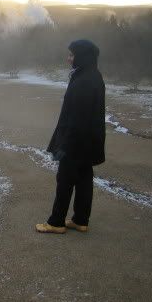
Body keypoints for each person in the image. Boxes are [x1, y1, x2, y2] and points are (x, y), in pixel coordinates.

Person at [36, 39, 105, 234]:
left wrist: (64, 146)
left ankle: (56, 223)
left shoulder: (84, 81)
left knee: (64, 180)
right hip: (88, 142)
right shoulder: (92, 75)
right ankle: (80, 220)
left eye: (72, 55)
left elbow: (77, 119)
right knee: (84, 180)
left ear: (82, 56)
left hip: (76, 143)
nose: (68, 59)